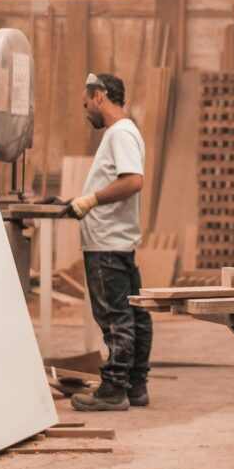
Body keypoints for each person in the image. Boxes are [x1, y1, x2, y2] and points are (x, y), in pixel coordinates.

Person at [67, 72, 153, 412]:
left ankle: (114, 389)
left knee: (115, 317)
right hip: (117, 241)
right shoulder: (126, 132)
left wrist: (90, 201)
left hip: (107, 244)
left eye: (87, 102)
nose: (86, 110)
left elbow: (133, 181)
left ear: (99, 96)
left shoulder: (120, 133)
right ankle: (136, 384)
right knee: (134, 315)